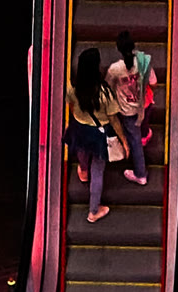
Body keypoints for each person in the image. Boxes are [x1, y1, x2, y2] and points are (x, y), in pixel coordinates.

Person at [68, 48, 129, 225]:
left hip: (80, 129)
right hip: (98, 133)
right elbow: (114, 120)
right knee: (98, 170)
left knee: (82, 153)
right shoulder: (104, 93)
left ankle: (82, 171)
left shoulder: (74, 89)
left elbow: (72, 107)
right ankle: (94, 210)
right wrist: (124, 142)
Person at [105, 31, 154, 188]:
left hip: (127, 110)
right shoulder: (143, 61)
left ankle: (140, 174)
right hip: (143, 104)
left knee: (135, 141)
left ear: (119, 49)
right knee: (143, 125)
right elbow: (153, 81)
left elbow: (108, 86)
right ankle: (145, 135)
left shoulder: (115, 69)